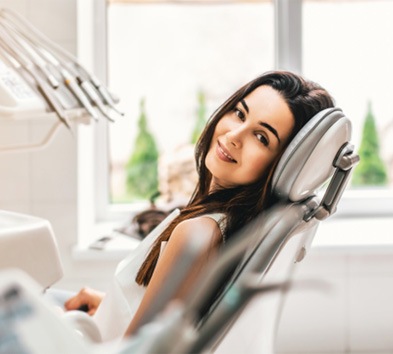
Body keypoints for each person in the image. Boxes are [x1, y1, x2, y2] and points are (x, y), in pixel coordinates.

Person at [64, 70, 335, 342]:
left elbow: (137, 351)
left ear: (281, 166)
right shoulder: (230, 226)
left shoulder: (198, 234)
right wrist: (109, 306)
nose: (234, 136)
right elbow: (176, 319)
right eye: (240, 114)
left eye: (261, 137)